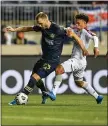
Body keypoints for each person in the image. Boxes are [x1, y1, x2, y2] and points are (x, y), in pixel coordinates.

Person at [6, 12, 88, 105]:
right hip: (44, 59)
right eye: (38, 23)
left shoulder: (57, 29)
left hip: (53, 61)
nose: (39, 25)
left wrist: (84, 49)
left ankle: (22, 96)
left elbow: (75, 36)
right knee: (35, 78)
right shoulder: (42, 27)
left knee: (34, 78)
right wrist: (14, 30)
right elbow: (27, 28)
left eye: (41, 23)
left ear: (46, 20)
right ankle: (44, 93)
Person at [44, 13, 103, 104]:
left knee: (59, 69)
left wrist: (96, 47)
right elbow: (66, 31)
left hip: (77, 60)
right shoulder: (76, 31)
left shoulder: (85, 31)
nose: (77, 25)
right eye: (76, 23)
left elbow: (95, 37)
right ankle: (97, 96)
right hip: (82, 62)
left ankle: (53, 92)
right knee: (79, 82)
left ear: (84, 23)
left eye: (79, 23)